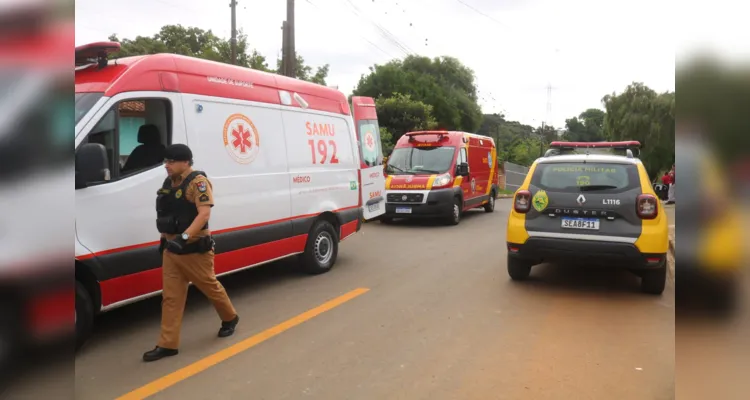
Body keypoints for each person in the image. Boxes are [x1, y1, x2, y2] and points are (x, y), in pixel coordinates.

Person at [143, 143, 239, 362]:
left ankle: (230, 318)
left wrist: (183, 238)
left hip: (194, 248)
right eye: (165, 161)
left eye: (171, 161)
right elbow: (168, 214)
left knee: (210, 287)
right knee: (171, 298)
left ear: (185, 162)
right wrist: (165, 241)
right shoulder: (170, 182)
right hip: (171, 250)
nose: (166, 165)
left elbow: (204, 214)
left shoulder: (198, 182)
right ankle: (168, 344)